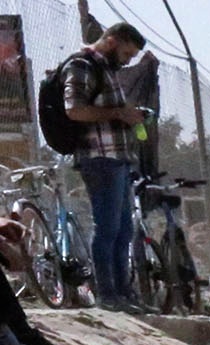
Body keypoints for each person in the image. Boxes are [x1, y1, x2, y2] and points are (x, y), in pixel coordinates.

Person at [58, 24, 149, 311]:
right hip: (98, 158)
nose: (127, 60)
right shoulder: (82, 66)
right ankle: (107, 294)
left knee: (124, 230)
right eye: (126, 53)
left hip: (119, 158)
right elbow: (74, 109)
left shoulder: (108, 69)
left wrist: (131, 116)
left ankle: (124, 293)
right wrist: (119, 113)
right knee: (107, 228)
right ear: (110, 42)